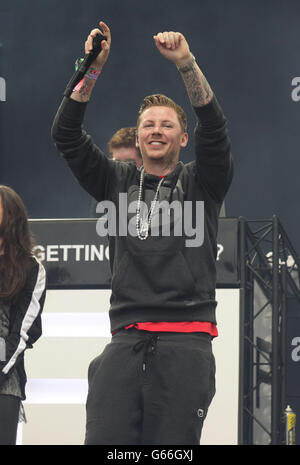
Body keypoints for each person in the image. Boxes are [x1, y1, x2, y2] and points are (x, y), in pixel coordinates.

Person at [52, 21, 233, 445]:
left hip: (186, 342)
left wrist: (187, 65)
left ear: (183, 138)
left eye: (167, 125)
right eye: (148, 125)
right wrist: (90, 68)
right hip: (126, 339)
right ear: (138, 136)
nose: (155, 130)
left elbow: (216, 131)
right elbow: (65, 135)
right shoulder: (114, 181)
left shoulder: (203, 182)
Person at [0, 185, 46, 445]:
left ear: (11, 215)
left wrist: (1, 368)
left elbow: (23, 332)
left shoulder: (30, 268)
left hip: (5, 380)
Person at [90, 126, 142, 216]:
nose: (122, 168)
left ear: (144, 162)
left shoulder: (157, 192)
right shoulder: (103, 194)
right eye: (117, 162)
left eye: (129, 163)